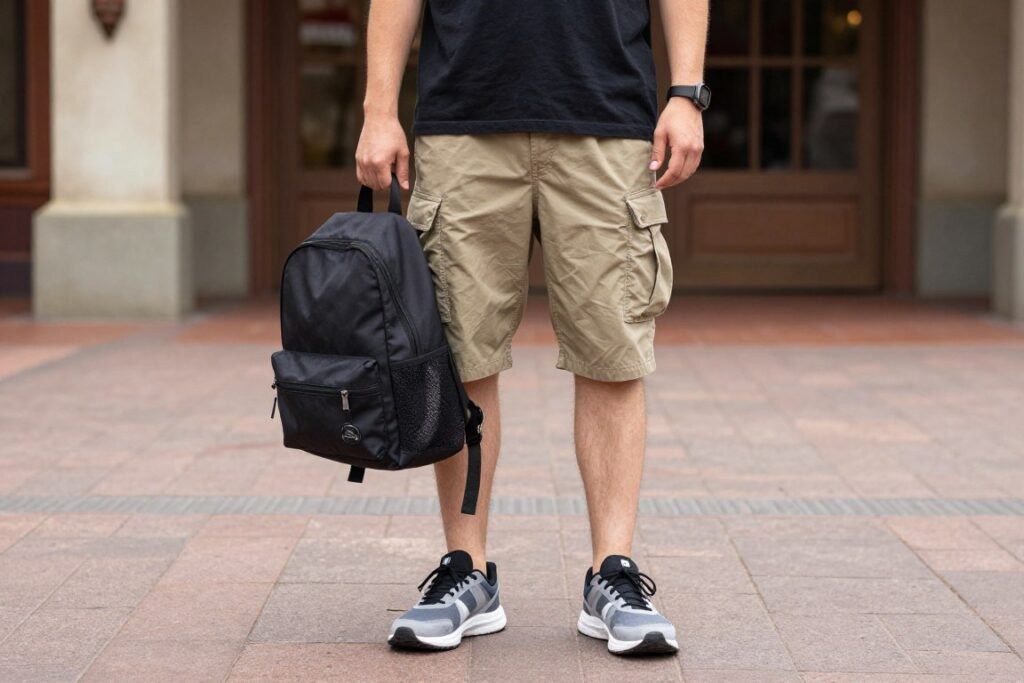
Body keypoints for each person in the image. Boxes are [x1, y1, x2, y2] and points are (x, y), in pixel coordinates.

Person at [356, 0, 708, 656]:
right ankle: (466, 569)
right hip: (464, 118)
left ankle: (614, 573)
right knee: (461, 355)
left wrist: (686, 92)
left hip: (605, 116)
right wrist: (379, 110)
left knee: (613, 350)